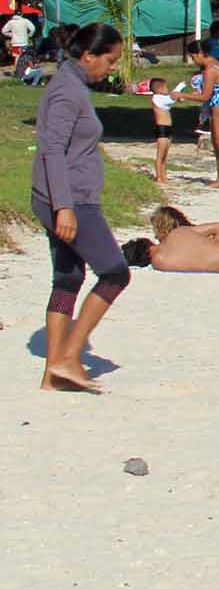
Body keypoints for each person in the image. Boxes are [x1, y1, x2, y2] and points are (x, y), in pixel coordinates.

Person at [33, 23, 128, 392]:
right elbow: (51, 150)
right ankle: (68, 358)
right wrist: (65, 207)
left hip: (66, 197)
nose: (112, 67)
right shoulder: (67, 92)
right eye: (110, 60)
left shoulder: (70, 85)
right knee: (116, 273)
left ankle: (51, 377)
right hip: (71, 200)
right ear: (88, 56)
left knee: (68, 279)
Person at [171, 38, 219, 190]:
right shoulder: (218, 66)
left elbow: (205, 96)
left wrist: (181, 95)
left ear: (200, 54)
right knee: (217, 143)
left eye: (193, 57)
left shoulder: (210, 70)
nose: (194, 60)